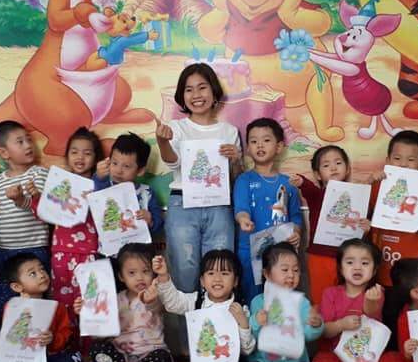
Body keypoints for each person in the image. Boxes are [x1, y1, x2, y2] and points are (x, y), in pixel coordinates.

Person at [155, 63, 242, 292]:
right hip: (182, 202)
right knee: (185, 266)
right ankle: (188, 314)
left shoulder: (229, 131)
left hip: (219, 204)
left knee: (220, 265)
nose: (196, 95)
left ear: (214, 91)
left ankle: (216, 313)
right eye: (189, 89)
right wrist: (163, 142)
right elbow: (173, 163)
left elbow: (235, 177)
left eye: (202, 87)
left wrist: (235, 159)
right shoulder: (176, 128)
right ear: (182, 96)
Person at [145, 250, 252, 362]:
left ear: (236, 281)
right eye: (211, 273)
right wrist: (164, 276)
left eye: (225, 273)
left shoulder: (240, 309)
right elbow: (173, 303)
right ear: (202, 281)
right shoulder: (196, 302)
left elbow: (247, 350)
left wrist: (243, 323)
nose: (217, 279)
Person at [311, 239, 405, 362]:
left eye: (364, 263)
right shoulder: (330, 293)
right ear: (340, 267)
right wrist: (341, 325)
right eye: (350, 262)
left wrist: (371, 301)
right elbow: (324, 331)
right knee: (319, 360)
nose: (357, 267)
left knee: (397, 358)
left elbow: (371, 311)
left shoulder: (376, 293)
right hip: (339, 359)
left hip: (370, 361)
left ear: (374, 269)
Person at [368, 130, 418, 342]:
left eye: (411, 160)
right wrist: (369, 183)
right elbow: (364, 212)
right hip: (382, 270)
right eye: (397, 158)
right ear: (388, 160)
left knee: (411, 323)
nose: (403, 164)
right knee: (386, 320)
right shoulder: (380, 185)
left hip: (411, 273)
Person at [73, 243, 173, 362]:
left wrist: (151, 300)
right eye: (132, 273)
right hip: (121, 361)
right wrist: (86, 314)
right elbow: (99, 335)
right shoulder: (112, 300)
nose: (139, 277)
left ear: (153, 273)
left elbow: (155, 306)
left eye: (145, 271)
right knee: (97, 347)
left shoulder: (155, 295)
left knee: (163, 358)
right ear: (121, 276)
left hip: (150, 356)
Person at [29, 127, 103, 332]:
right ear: (67, 156)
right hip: (60, 253)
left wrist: (95, 194)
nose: (80, 157)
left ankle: (88, 346)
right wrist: (36, 197)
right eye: (74, 152)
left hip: (89, 253)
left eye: (87, 153)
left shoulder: (99, 185)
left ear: (96, 158)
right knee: (62, 301)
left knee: (88, 301)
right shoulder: (60, 184)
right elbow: (44, 213)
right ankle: (65, 343)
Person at [244, 243, 327, 362]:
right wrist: (256, 321)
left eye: (296, 270)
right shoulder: (258, 302)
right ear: (267, 274)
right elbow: (252, 337)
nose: (291, 275)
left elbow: (308, 335)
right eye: (285, 270)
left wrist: (316, 325)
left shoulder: (302, 303)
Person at [0, 253, 83, 362]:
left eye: (42, 269)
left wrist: (52, 339)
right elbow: (10, 340)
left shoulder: (57, 307)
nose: (41, 275)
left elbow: (65, 336)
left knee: (75, 360)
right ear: (17, 286)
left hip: (50, 360)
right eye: (33, 273)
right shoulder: (12, 307)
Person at [0, 120, 50, 328]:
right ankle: (5, 340)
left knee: (37, 299)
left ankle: (39, 339)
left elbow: (41, 209)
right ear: (4, 152)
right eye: (20, 142)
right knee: (5, 300)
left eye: (29, 140)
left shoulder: (38, 174)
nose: (28, 145)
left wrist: (20, 199)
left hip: (34, 248)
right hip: (4, 249)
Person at [234, 118, 304, 301]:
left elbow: (296, 216)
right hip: (250, 251)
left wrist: (296, 232)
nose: (260, 145)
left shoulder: (288, 183)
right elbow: (241, 208)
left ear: (279, 147)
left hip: (281, 254)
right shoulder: (244, 180)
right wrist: (243, 219)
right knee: (253, 298)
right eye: (253, 141)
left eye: (266, 140)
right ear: (248, 149)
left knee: (281, 299)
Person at [291, 145, 370, 305]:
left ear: (347, 169)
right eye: (326, 165)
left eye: (338, 163)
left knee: (349, 299)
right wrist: (301, 181)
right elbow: (309, 189)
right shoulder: (317, 195)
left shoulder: (359, 196)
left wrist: (366, 228)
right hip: (319, 256)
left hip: (349, 257)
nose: (333, 168)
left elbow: (361, 228)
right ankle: (322, 321)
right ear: (317, 175)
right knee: (321, 299)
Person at [94, 132, 164, 236]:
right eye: (115, 163)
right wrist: (99, 178)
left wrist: (151, 221)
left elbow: (159, 226)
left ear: (140, 171)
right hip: (108, 245)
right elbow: (95, 197)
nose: (118, 170)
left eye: (126, 166)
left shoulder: (147, 193)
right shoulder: (103, 185)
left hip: (138, 244)